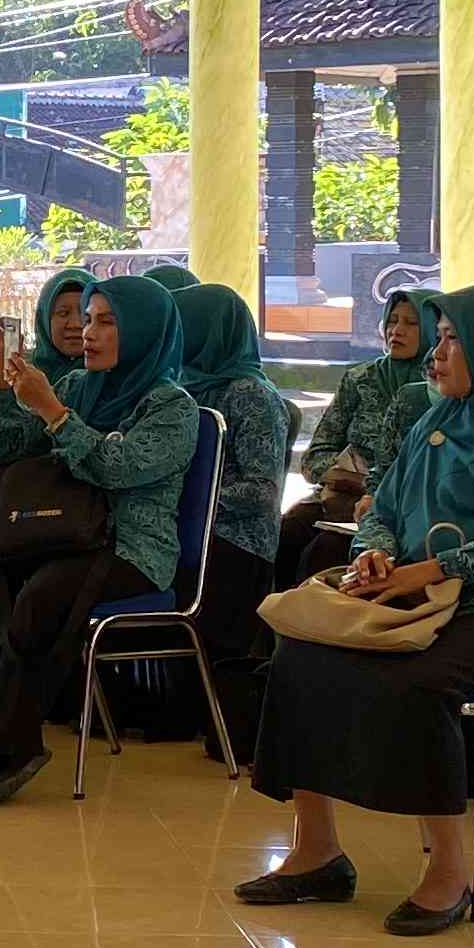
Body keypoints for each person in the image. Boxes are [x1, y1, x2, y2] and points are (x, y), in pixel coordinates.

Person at [240, 285, 474, 937]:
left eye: (450, 340)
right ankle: (317, 851)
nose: (436, 354)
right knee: (298, 656)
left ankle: (449, 870)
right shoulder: (437, 423)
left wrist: (439, 568)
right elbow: (381, 511)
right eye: (437, 338)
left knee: (421, 680)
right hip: (418, 602)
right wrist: (376, 559)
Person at [0, 275, 196, 810]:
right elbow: (3, 447)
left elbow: (118, 469)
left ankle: (3, 750)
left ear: (143, 331)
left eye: (107, 322)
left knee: (42, 598)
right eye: (88, 319)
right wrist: (3, 390)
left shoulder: (171, 407)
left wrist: (54, 414)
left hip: (128, 549)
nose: (89, 332)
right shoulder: (75, 387)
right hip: (53, 532)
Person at [145, 282, 296, 752]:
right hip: (190, 536)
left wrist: (194, 502)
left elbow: (263, 490)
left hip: (237, 542)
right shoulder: (179, 391)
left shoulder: (251, 395)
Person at [278, 287, 430, 585]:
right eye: (392, 321)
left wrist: (379, 489)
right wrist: (346, 479)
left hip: (402, 504)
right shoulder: (361, 379)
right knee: (290, 530)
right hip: (342, 496)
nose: (396, 331)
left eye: (412, 324)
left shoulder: (438, 388)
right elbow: (314, 457)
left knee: (325, 552)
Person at [25, 268, 94, 387]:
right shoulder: (25, 371)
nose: (75, 324)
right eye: (63, 313)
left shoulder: (112, 377)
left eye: (85, 313)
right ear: (44, 321)